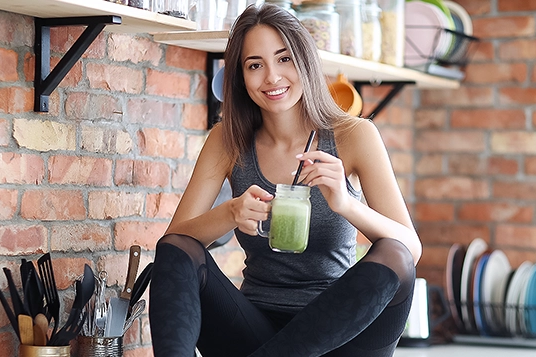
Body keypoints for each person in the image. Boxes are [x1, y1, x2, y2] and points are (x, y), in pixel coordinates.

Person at [148, 3, 422, 356]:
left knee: (395, 256)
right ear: (240, 76)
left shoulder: (354, 135)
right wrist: (230, 213)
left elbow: (410, 249)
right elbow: (176, 241)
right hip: (256, 328)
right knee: (175, 249)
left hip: (336, 334)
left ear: (304, 62)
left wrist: (345, 204)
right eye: (255, 65)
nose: (272, 77)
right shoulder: (227, 140)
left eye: (284, 59)